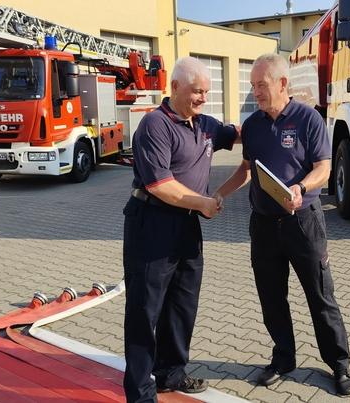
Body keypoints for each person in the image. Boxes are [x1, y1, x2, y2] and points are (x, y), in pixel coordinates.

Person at [214, 53, 350, 396]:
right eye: (253, 86)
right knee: (271, 297)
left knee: (320, 295)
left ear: (282, 83)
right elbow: (246, 169)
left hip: (303, 223)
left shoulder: (308, 119)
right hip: (263, 225)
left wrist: (301, 187)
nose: (256, 93)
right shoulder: (253, 125)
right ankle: (283, 358)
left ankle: (339, 363)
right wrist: (218, 194)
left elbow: (323, 168)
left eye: (261, 86)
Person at [122, 56, 239, 403]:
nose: (202, 98)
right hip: (152, 224)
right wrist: (203, 203)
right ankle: (141, 392)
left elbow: (242, 133)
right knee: (146, 310)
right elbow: (160, 185)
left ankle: (171, 375)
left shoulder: (205, 125)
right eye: (195, 91)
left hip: (187, 227)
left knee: (182, 305)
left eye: (206, 92)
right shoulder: (154, 126)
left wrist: (282, 119)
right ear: (174, 88)